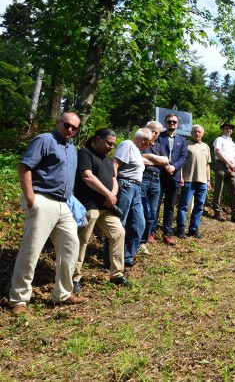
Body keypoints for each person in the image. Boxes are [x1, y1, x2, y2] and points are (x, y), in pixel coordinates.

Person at [9, 113, 88, 316]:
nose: (70, 130)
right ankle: (19, 299)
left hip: (64, 204)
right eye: (67, 125)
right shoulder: (44, 140)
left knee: (71, 248)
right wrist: (30, 198)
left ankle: (62, 294)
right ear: (58, 122)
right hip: (42, 199)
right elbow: (24, 166)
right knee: (31, 250)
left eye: (74, 128)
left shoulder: (72, 149)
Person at [73, 128, 128, 294]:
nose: (111, 147)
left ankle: (116, 274)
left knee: (118, 233)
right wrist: (107, 194)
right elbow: (87, 176)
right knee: (82, 240)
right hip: (89, 205)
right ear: (97, 139)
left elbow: (114, 179)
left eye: (113, 144)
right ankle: (74, 277)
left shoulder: (108, 159)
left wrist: (112, 195)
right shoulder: (85, 153)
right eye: (109, 143)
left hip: (107, 206)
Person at [113, 128, 152, 268]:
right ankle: (111, 258)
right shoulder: (127, 145)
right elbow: (115, 165)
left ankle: (127, 255)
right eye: (149, 143)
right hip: (125, 185)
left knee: (139, 223)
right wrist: (113, 188)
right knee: (119, 223)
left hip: (136, 188)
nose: (149, 146)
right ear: (144, 140)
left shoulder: (137, 150)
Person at [156, 113, 188, 245]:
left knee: (170, 206)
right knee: (156, 204)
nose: (172, 124)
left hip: (174, 176)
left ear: (177, 124)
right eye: (169, 122)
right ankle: (151, 232)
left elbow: (184, 157)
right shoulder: (159, 137)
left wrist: (174, 167)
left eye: (174, 122)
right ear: (165, 123)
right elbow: (155, 153)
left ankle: (167, 233)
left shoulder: (182, 139)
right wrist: (165, 166)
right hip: (160, 174)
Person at [176, 125, 211, 238]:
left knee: (199, 206)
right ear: (191, 133)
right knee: (184, 206)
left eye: (199, 132)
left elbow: (207, 165)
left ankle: (193, 229)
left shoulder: (206, 146)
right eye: (195, 131)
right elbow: (180, 162)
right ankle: (181, 229)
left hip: (202, 181)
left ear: (203, 133)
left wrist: (208, 180)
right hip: (188, 180)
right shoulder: (185, 144)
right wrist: (180, 177)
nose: (197, 133)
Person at [140, 121, 169, 252]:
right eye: (154, 131)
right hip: (143, 178)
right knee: (140, 210)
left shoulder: (159, 146)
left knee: (152, 211)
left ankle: (144, 240)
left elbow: (165, 161)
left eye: (158, 133)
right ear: (147, 129)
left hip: (156, 180)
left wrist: (150, 157)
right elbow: (139, 159)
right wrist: (156, 160)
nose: (156, 135)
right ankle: (137, 240)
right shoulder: (141, 143)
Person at [211, 121, 235, 223]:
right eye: (226, 128)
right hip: (221, 164)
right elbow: (218, 152)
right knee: (219, 188)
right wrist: (229, 164)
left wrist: (234, 165)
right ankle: (217, 212)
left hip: (232, 166)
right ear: (222, 129)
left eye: (230, 129)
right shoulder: (219, 139)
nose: (229, 130)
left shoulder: (233, 143)